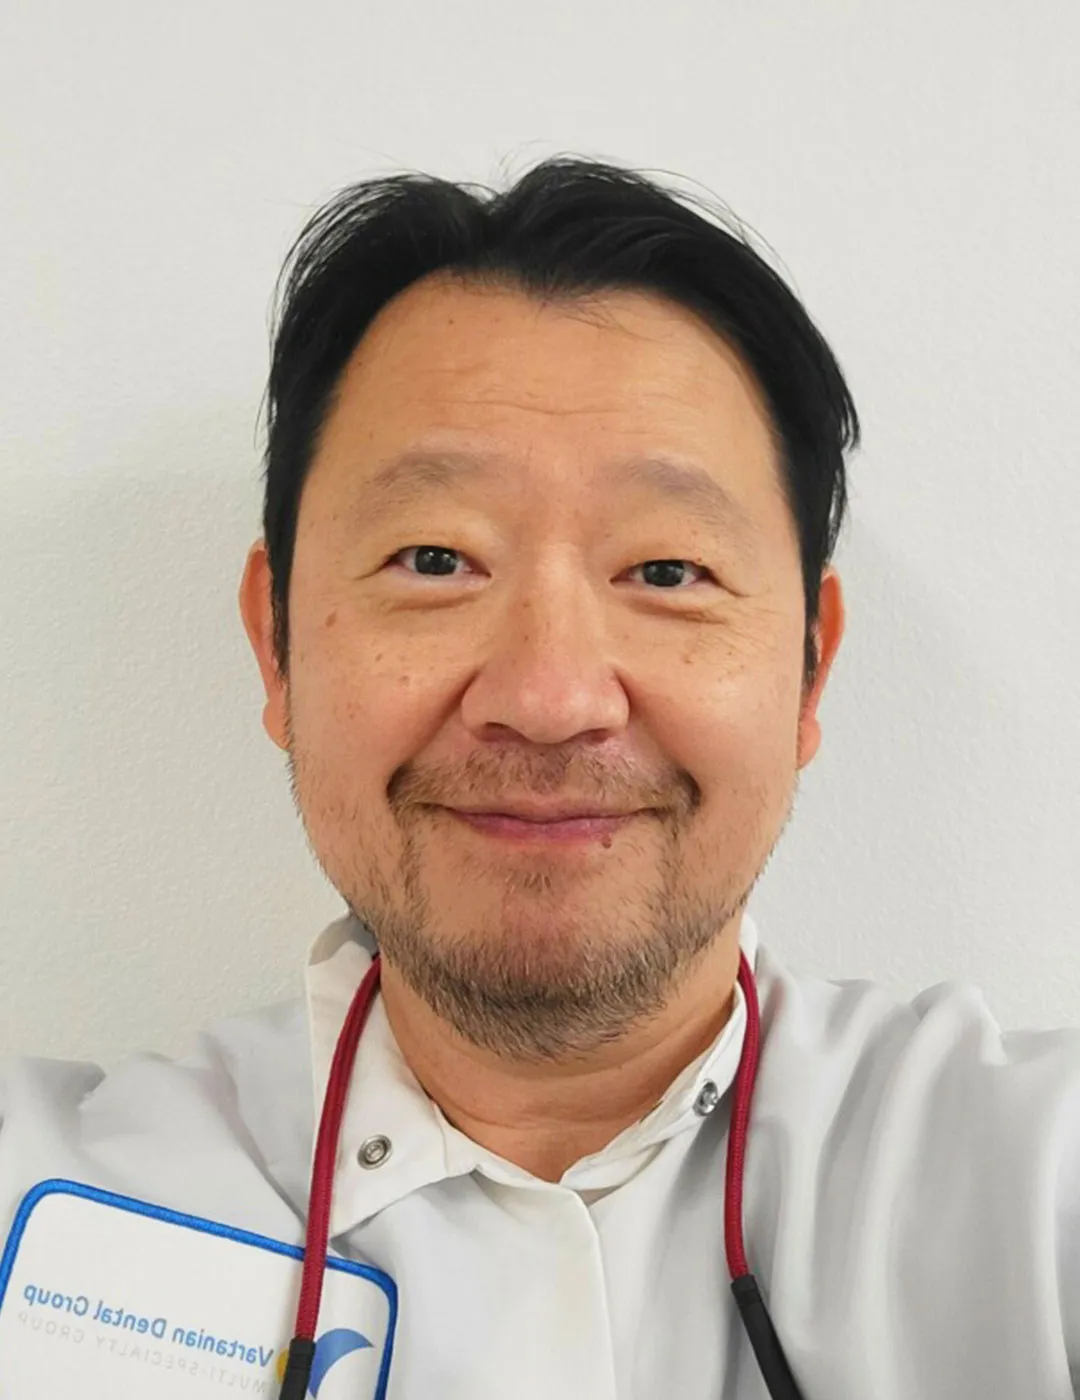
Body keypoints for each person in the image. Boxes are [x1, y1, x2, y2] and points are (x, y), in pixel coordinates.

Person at [2, 155, 1079, 1400]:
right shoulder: (51, 1191)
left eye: (668, 571)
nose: (551, 696)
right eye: (434, 555)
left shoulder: (1031, 1181)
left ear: (810, 671)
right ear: (278, 642)